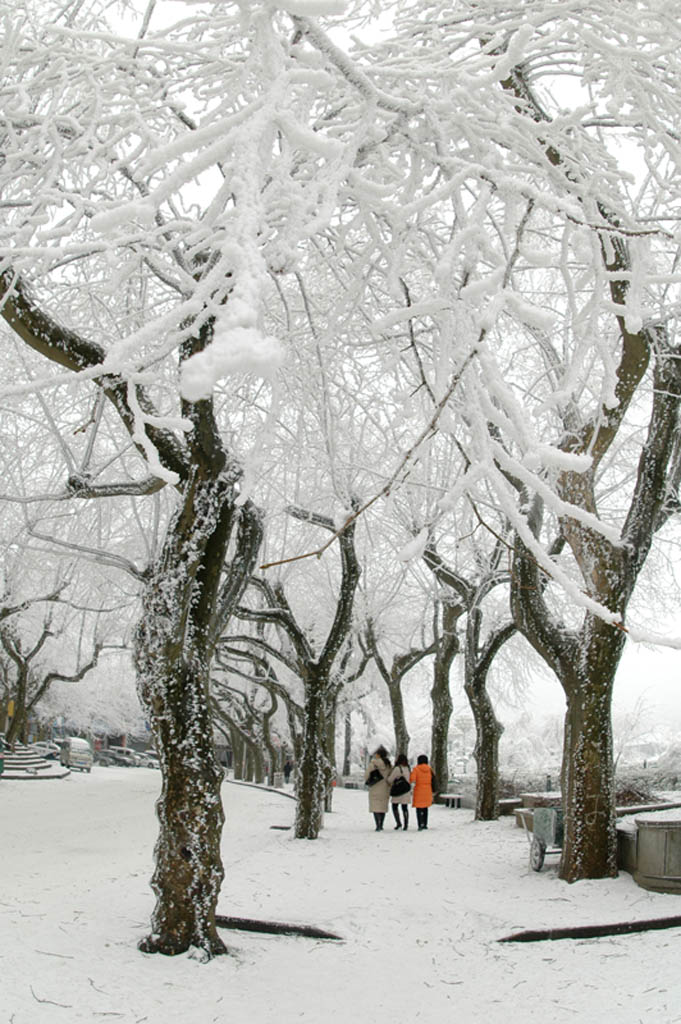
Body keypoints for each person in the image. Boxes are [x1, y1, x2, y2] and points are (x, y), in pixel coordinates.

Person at [364, 744, 391, 831]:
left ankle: (377, 824)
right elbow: (391, 776)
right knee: (382, 806)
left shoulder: (373, 764)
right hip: (385, 788)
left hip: (375, 787)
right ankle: (381, 823)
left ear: (378, 755)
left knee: (375, 806)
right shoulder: (388, 765)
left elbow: (367, 775)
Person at [410, 754, 436, 831]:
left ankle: (420, 824)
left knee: (419, 808)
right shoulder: (429, 769)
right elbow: (433, 779)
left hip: (418, 790)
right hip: (428, 790)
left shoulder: (416, 769)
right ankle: (425, 824)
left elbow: (412, 779)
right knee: (425, 808)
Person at [387, 753, 412, 830]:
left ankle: (398, 823)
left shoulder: (397, 769)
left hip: (398, 791)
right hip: (406, 790)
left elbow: (390, 779)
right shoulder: (408, 768)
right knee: (405, 807)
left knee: (394, 806)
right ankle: (406, 824)